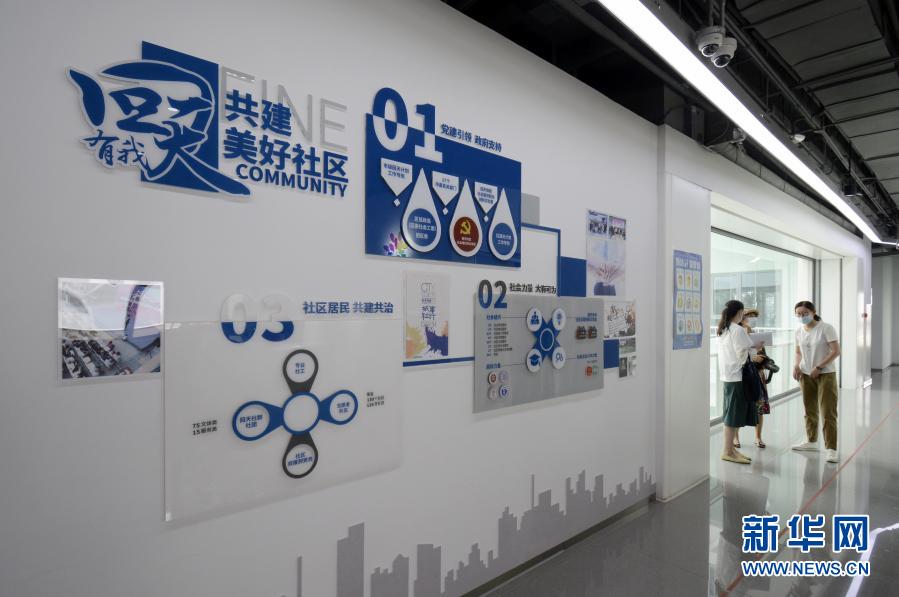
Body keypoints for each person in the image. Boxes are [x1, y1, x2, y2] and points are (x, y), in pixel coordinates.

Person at [791, 301, 841, 463]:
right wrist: (796, 365)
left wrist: (819, 367)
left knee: (828, 412)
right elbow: (798, 352)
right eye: (798, 314)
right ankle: (811, 441)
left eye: (805, 313)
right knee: (809, 410)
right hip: (805, 374)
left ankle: (831, 449)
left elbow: (836, 351)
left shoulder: (826, 328)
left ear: (813, 312)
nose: (802, 316)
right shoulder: (799, 331)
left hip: (825, 374)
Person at [717, 300, 764, 464]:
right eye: (743, 314)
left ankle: (731, 449)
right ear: (739, 313)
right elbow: (742, 355)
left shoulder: (724, 329)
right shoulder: (737, 330)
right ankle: (727, 451)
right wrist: (755, 348)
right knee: (732, 415)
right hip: (737, 377)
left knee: (730, 413)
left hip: (728, 376)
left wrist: (750, 349)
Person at [733, 309, 769, 449]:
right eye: (750, 316)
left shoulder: (756, 336)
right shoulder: (738, 335)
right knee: (739, 407)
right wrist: (751, 357)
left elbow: (764, 357)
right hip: (742, 377)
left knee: (759, 408)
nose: (753, 319)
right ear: (742, 319)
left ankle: (758, 437)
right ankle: (735, 437)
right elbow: (736, 356)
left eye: (755, 317)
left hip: (757, 376)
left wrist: (760, 358)